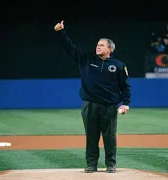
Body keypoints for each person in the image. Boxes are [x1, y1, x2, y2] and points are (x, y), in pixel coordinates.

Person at [54, 20, 131, 173]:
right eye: (97, 44)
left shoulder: (119, 65)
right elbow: (70, 48)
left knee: (109, 137)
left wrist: (125, 103)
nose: (98, 46)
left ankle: (111, 164)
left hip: (109, 106)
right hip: (90, 105)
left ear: (109, 49)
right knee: (91, 137)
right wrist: (61, 32)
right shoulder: (86, 60)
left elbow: (125, 86)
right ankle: (91, 164)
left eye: (101, 45)